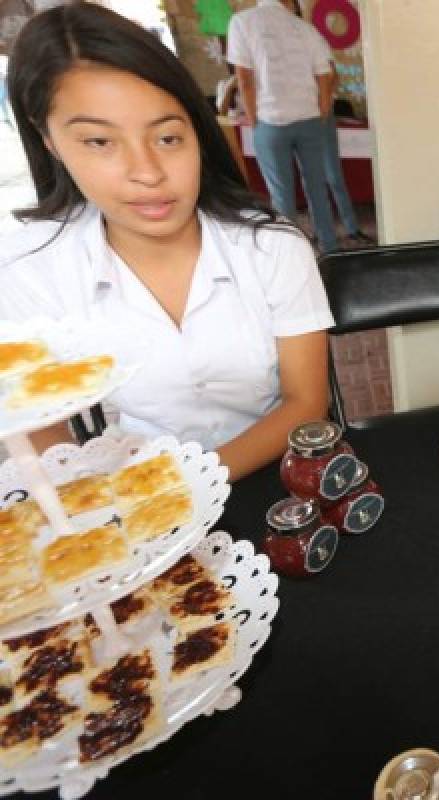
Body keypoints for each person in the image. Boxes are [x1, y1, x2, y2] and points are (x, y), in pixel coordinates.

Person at [0, 3, 333, 481]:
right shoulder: (28, 271)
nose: (148, 173)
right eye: (99, 141)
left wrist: (181, 493)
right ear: (49, 141)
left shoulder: (272, 247)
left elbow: (306, 401)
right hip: (128, 500)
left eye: (168, 138)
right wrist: (123, 508)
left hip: (264, 478)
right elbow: (43, 436)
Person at [226, 0, 339, 253]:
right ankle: (330, 249)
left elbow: (244, 79)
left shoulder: (242, 22)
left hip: (271, 119)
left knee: (281, 194)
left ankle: (293, 252)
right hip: (308, 118)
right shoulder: (305, 29)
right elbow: (325, 74)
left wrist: (254, 119)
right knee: (317, 188)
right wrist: (321, 109)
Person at [317, 55, 374, 246]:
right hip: (297, 119)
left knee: (334, 177)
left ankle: (351, 228)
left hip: (322, 117)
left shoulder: (314, 44)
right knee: (312, 180)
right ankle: (321, 231)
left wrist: (324, 101)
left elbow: (333, 74)